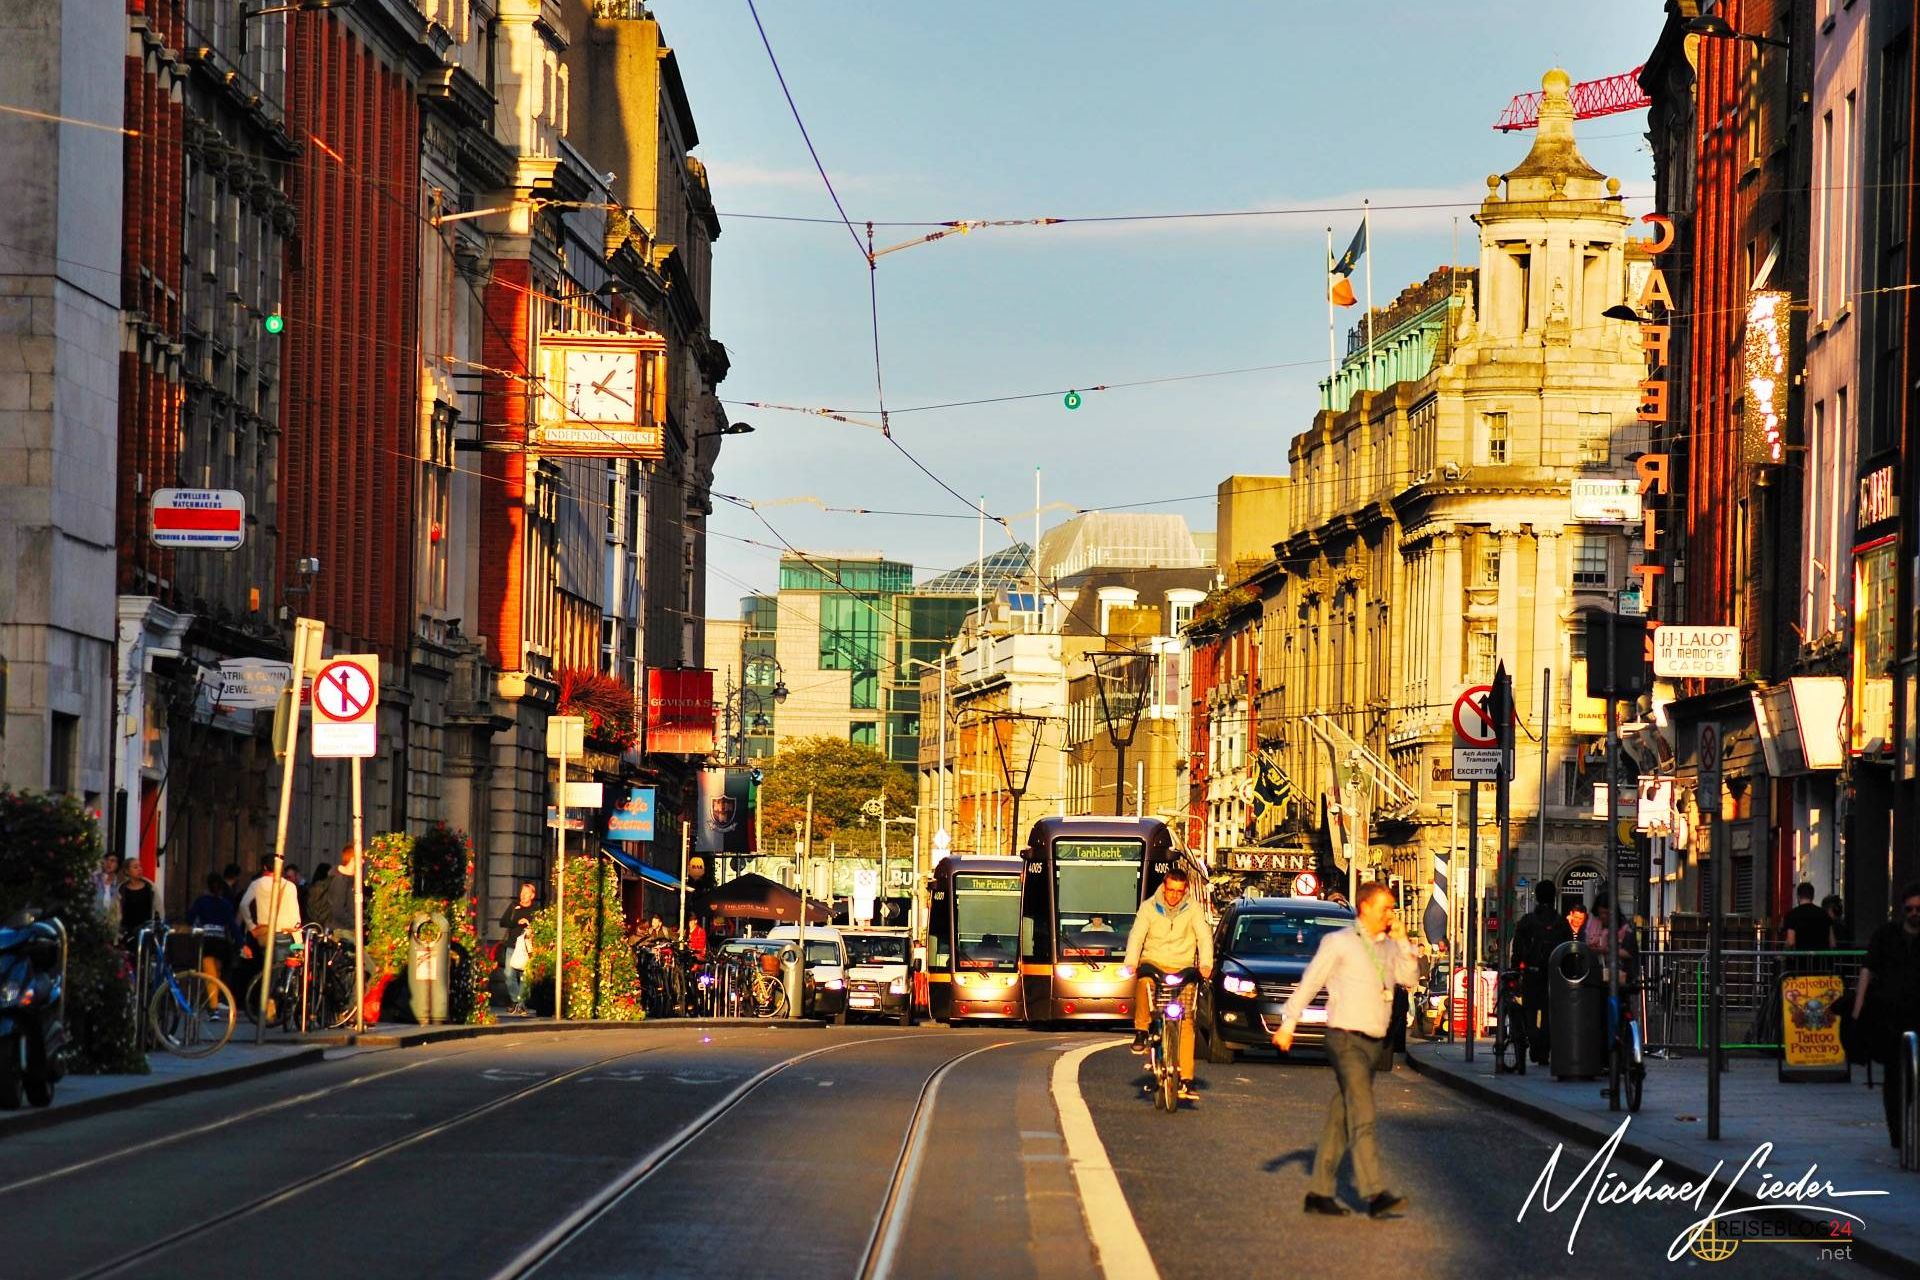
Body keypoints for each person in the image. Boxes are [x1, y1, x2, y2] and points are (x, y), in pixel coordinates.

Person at [1274, 881, 1417, 1219]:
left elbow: (1409, 979)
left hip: (1373, 1043)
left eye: (1392, 908)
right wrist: (1288, 1023)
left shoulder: (1389, 946)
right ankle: (1374, 1193)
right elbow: (1311, 981)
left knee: (1341, 1115)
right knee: (1363, 1113)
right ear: (1364, 907)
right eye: (1385, 908)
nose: (1390, 914)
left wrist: (1403, 942)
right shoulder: (1339, 943)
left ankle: (1319, 1193)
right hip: (1345, 1039)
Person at [1122, 866, 1214, 1103]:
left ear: (1185, 891)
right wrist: (1131, 961)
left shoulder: (1193, 909)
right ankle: (1142, 1031)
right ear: (1164, 886)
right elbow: (1137, 935)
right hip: (1154, 963)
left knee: (1187, 1021)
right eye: (1170, 890)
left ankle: (1186, 1080)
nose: (1174, 895)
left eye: (1179, 891)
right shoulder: (1149, 907)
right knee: (1143, 982)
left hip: (1183, 967)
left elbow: (1204, 936)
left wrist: (1205, 964)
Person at [1853, 882, 1920, 1148]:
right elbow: (1867, 970)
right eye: (1910, 909)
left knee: (1912, 1078)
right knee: (1893, 1076)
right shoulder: (1886, 935)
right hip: (1891, 1017)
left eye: (1919, 909)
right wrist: (1858, 1010)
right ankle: (1897, 1131)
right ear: (1902, 909)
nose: (1914, 913)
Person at [1511, 881, 1572, 1066]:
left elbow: (1517, 949)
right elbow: (1568, 951)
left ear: (1536, 897)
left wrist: (1516, 970)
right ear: (1554, 897)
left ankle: (1534, 1042)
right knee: (1549, 1013)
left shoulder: (1527, 921)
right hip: (1555, 976)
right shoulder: (1561, 923)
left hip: (1532, 973)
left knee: (1530, 1011)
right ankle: (1544, 1050)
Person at [236, 860, 302, 985]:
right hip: (283, 933)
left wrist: (251, 926)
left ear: (265, 867)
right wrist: (299, 943)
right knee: (279, 972)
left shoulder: (257, 884)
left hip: (263, 934)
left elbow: (243, 905)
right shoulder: (289, 886)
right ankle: (274, 994)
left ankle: (264, 993)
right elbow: (295, 917)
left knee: (264, 969)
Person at [186, 871, 238, 997]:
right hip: (221, 943)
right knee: (217, 973)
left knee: (210, 974)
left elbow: (189, 918)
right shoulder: (225, 904)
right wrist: (241, 944)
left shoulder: (201, 901)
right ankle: (217, 999)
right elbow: (233, 925)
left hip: (206, 942)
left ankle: (213, 1003)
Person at [499, 882, 537, 1016]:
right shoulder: (514, 906)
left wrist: (529, 925)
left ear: (532, 896)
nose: (523, 895)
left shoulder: (535, 910)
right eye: (522, 892)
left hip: (527, 948)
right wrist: (517, 921)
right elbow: (502, 922)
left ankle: (520, 1005)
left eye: (526, 893)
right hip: (512, 946)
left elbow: (539, 927)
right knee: (508, 974)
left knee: (525, 977)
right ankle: (516, 1001)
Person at [1783, 882, 1834, 951]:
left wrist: (1784, 951)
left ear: (1798, 896)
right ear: (1813, 896)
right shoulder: (1824, 914)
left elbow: (1791, 942)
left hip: (1801, 956)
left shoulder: (1792, 914)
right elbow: (1832, 943)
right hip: (1820, 956)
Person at [118, 861, 156, 946]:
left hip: (146, 931)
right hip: (127, 932)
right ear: (127, 871)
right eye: (135, 867)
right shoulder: (122, 889)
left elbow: (158, 907)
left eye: (140, 867)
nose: (139, 869)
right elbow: (117, 911)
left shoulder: (149, 886)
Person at [92, 853, 123, 936]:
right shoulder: (95, 878)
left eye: (112, 861)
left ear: (117, 865)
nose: (108, 863)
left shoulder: (120, 882)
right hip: (94, 921)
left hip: (112, 924)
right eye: (106, 860)